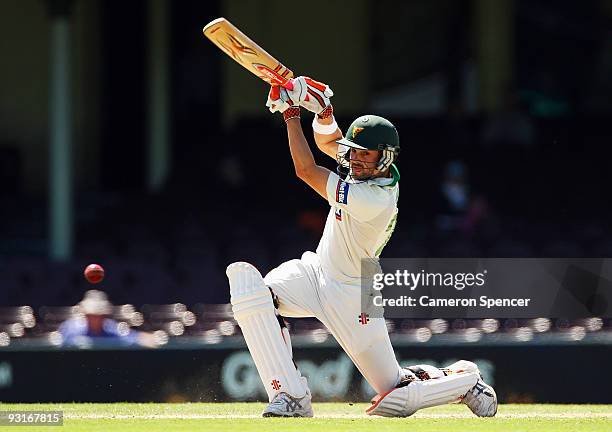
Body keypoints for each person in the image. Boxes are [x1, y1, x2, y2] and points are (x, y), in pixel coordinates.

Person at [225, 77, 497, 417]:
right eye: (354, 153)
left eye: (364, 155)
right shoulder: (363, 168)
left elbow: (306, 170)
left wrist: (292, 114)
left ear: (384, 158)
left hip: (354, 294)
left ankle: (464, 380)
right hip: (315, 271)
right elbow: (331, 145)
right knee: (253, 293)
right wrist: (324, 111)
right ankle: (291, 396)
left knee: (396, 397)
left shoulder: (374, 198)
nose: (355, 160)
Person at [59, 290, 157, 348]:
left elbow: (135, 337)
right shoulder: (69, 328)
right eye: (91, 315)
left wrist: (154, 339)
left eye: (99, 315)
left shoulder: (112, 328)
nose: (95, 318)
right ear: (85, 314)